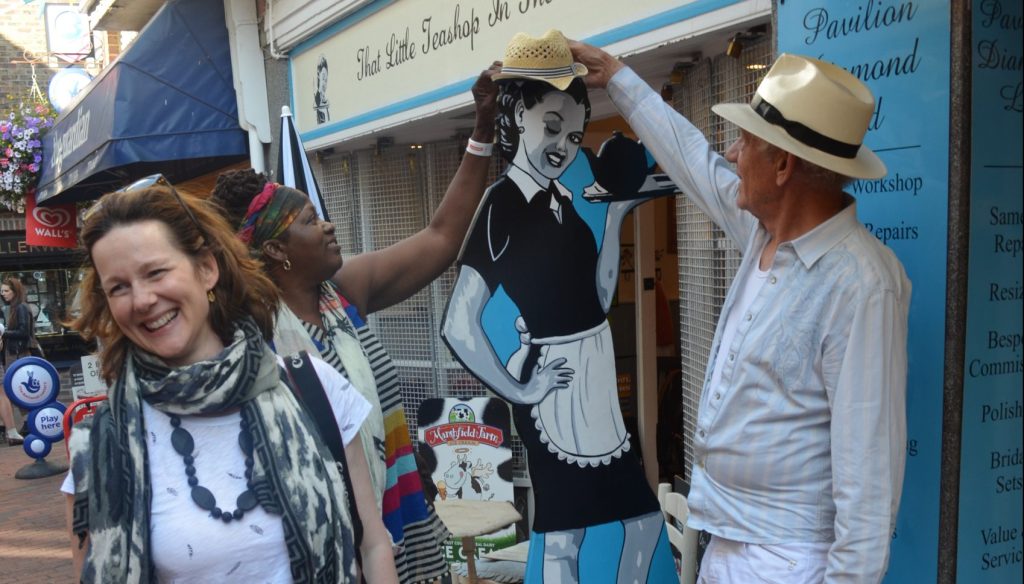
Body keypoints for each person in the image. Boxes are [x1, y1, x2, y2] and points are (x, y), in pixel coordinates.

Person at [569, 41, 911, 582]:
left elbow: (869, 484)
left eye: (746, 141)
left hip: (791, 564)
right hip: (728, 546)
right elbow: (692, 161)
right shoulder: (763, 232)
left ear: (782, 165)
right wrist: (617, 77)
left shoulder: (862, 284)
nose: (731, 153)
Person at [209, 64, 502, 584]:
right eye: (308, 221)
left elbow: (440, 239)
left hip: (400, 526)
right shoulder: (251, 337)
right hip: (325, 544)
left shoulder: (342, 295)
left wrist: (481, 132)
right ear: (276, 250)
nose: (328, 224)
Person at [62, 180, 398, 583]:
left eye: (156, 272)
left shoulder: (312, 386)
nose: (142, 300)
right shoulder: (104, 443)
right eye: (119, 287)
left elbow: (373, 543)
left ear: (206, 269)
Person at [441, 30, 674, 583]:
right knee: (565, 537)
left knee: (640, 524)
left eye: (572, 134)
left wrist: (616, 219)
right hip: (558, 388)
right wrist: (520, 389)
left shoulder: (564, 199)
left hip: (594, 380)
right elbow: (459, 321)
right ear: (518, 115)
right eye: (551, 128)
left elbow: (595, 298)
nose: (563, 146)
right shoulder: (503, 203)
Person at [1, 276, 38, 445]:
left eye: (6, 291)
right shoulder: (12, 308)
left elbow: (24, 332)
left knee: (21, 390)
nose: (3, 294)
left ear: (15, 291)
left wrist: (4, 333)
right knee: (16, 390)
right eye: (1, 291)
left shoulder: (21, 308)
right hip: (13, 353)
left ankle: (31, 422)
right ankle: (27, 423)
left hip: (19, 353)